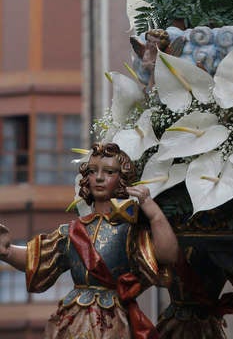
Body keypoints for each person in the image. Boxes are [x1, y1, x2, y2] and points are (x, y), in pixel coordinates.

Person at [0, 142, 179, 339]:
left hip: (113, 320)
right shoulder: (72, 231)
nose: (99, 178)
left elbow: (167, 255)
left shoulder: (131, 231)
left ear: (123, 179)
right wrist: (7, 251)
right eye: (93, 171)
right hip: (75, 318)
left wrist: (153, 213)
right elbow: (37, 258)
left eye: (109, 172)